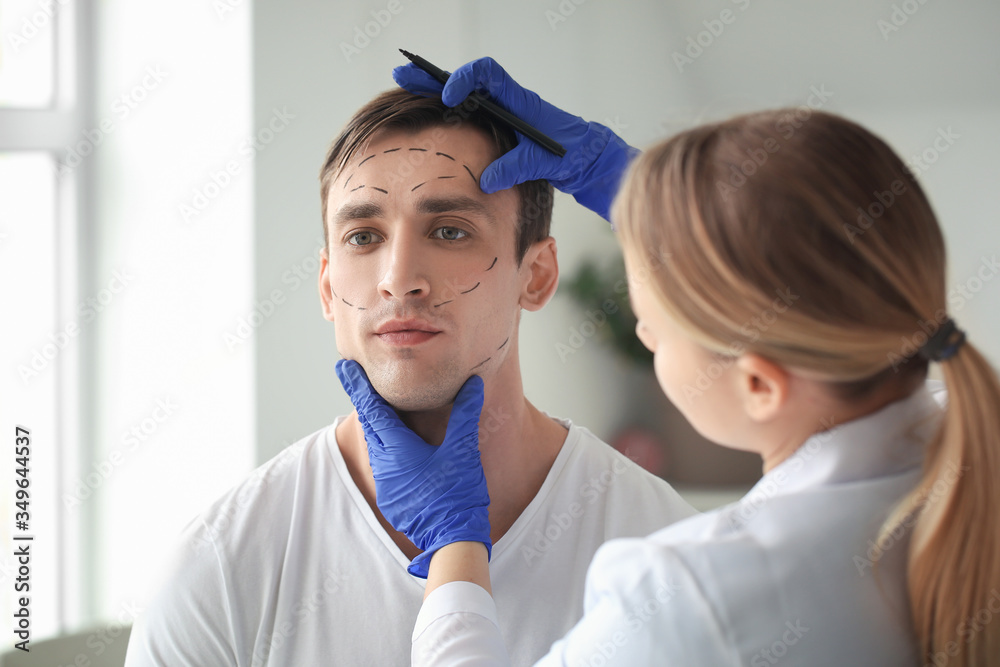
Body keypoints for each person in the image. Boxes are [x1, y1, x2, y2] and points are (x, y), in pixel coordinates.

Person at [345, 58, 1000, 665]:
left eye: (656, 321)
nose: (400, 279)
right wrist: (694, 212)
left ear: (758, 384)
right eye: (364, 234)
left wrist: (454, 545)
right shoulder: (966, 447)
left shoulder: (691, 599)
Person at [123, 80, 699, 666]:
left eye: (450, 230)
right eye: (363, 236)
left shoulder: (661, 549)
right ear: (327, 286)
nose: (398, 278)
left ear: (538, 275)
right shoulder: (219, 569)